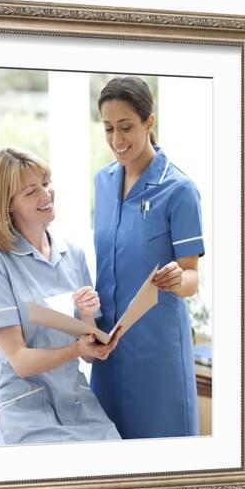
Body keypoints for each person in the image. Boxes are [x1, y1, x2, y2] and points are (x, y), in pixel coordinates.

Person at [0, 147, 121, 445]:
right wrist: (76, 350)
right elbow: (20, 361)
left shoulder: (72, 254)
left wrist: (90, 320)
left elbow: (89, 353)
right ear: (8, 205)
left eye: (46, 181)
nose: (46, 194)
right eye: (31, 191)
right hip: (24, 410)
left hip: (77, 403)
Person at [91, 76, 205, 439]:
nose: (116, 140)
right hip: (109, 350)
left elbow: (191, 278)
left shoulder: (179, 190)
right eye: (108, 128)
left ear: (149, 122)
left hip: (158, 355)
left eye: (126, 127)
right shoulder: (103, 182)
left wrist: (177, 277)